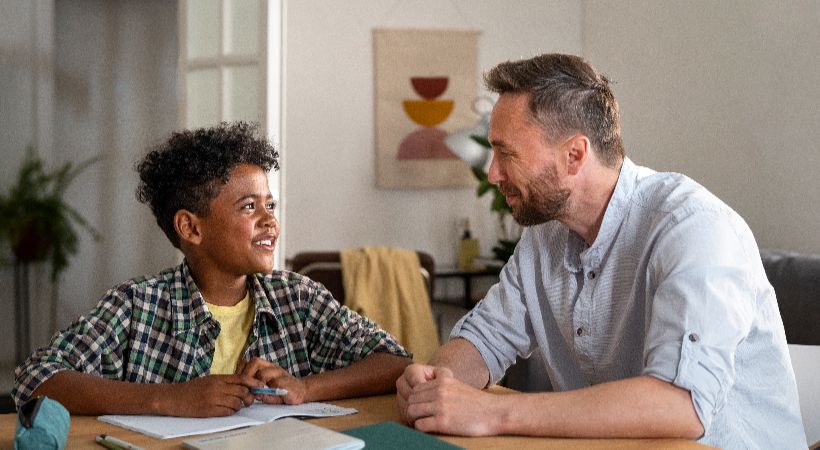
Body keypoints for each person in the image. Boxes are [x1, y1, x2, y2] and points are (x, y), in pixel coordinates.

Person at [396, 53, 806, 448]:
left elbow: (680, 405)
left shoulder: (694, 227)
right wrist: (437, 384)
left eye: (507, 153)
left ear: (574, 154)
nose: (492, 172)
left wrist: (493, 412)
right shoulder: (543, 238)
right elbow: (485, 338)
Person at [13, 121, 412, 417]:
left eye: (269, 205)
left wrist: (305, 388)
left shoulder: (298, 298)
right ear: (191, 227)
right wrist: (169, 398)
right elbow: (37, 379)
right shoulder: (137, 306)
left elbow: (395, 361)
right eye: (248, 207)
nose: (269, 220)